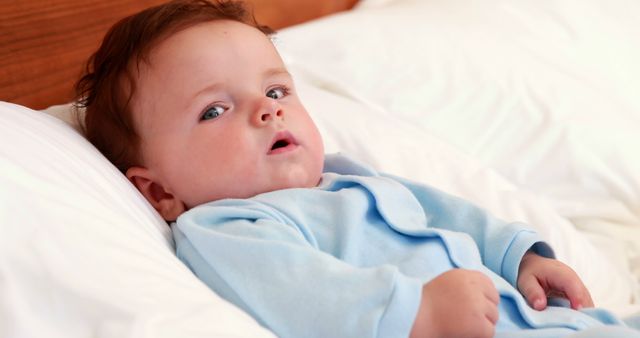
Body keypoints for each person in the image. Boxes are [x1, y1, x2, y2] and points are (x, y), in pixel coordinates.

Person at [75, 0, 640, 337]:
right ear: (158, 192)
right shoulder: (228, 229)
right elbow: (306, 295)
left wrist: (519, 258)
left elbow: (450, 213)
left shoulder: (351, 178)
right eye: (214, 110)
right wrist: (416, 314)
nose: (267, 108)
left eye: (275, 89)